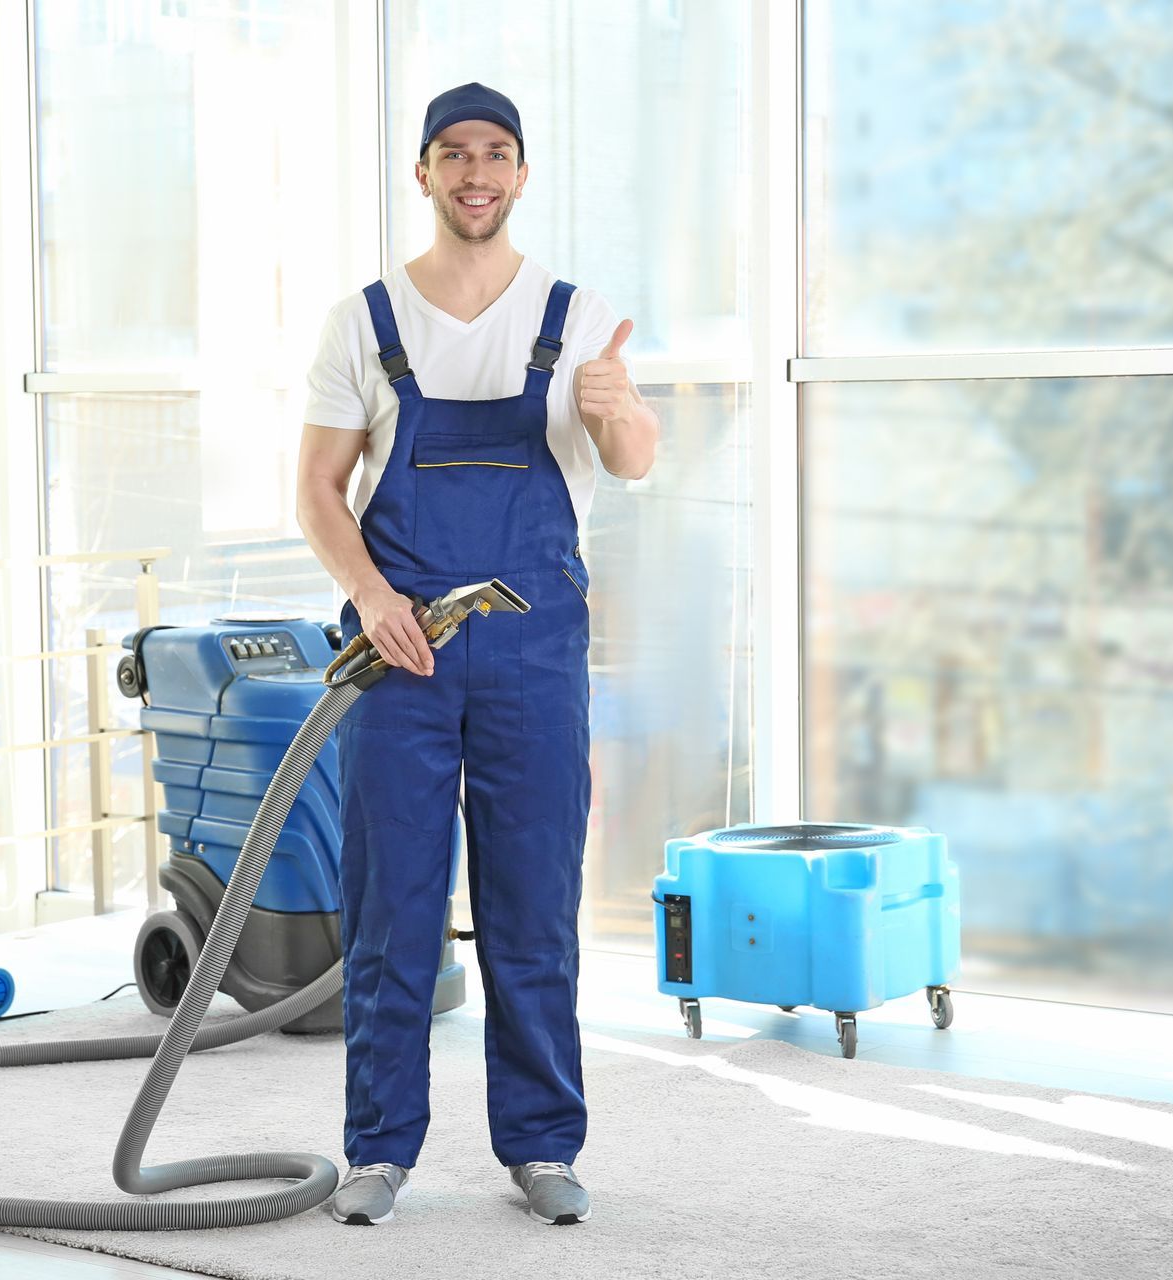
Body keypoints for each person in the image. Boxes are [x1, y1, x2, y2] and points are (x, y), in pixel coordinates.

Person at [295, 82, 660, 1227]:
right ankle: (376, 1149)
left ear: (520, 173)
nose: (475, 173)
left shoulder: (575, 311)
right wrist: (367, 593)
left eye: (495, 154)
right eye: (453, 154)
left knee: (532, 907)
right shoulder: (365, 319)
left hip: (536, 654)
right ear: (423, 173)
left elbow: (637, 458)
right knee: (393, 906)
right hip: (398, 654)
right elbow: (316, 484)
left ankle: (543, 1143)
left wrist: (615, 407)